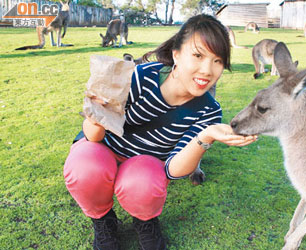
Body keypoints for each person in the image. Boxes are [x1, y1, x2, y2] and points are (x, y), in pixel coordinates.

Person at [63, 14, 257, 250]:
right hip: (104, 148)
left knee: (145, 181)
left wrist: (204, 137)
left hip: (144, 163)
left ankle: (145, 221)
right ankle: (103, 221)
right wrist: (98, 110)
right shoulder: (140, 77)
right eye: (198, 55)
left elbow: (173, 170)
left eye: (217, 60)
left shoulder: (209, 111)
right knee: (85, 168)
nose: (207, 70)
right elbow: (94, 136)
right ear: (177, 54)